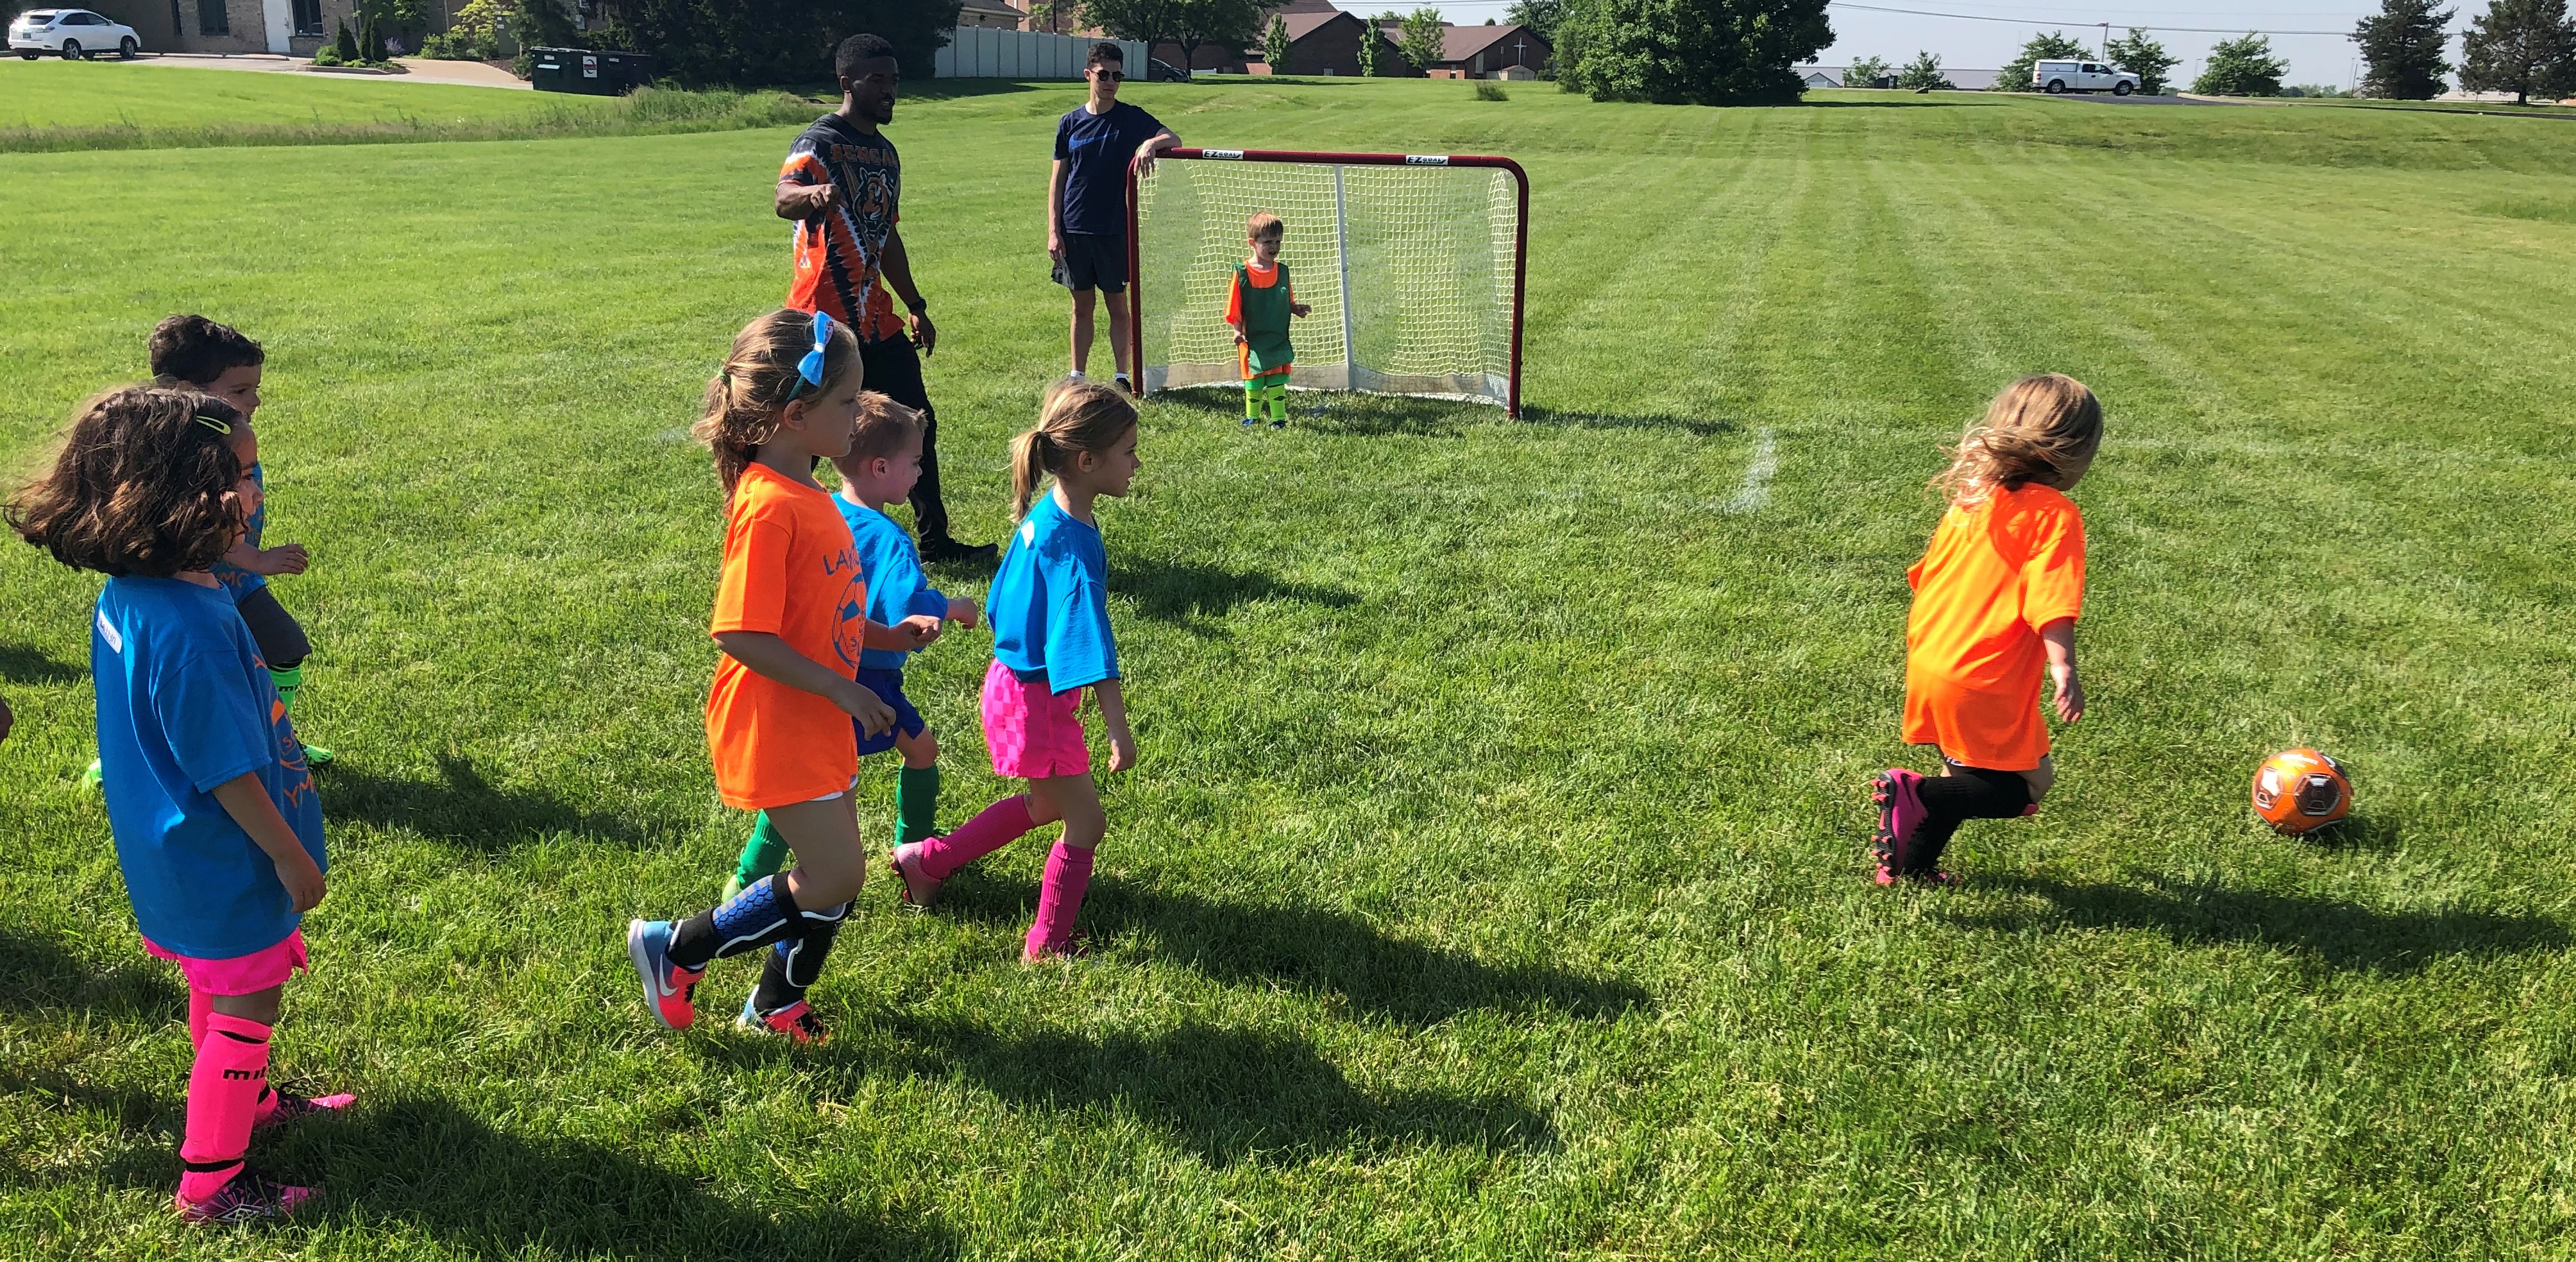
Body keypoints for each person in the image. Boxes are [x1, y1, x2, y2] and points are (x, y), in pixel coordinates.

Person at [8, 388, 348, 1224]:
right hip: (224, 850)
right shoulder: (189, 623)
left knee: (220, 982)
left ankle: (253, 1099)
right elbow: (227, 765)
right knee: (248, 997)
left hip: (172, 851)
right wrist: (285, 852)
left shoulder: (138, 591)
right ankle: (211, 1182)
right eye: (239, 475)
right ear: (179, 494)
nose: (258, 490)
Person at [627, 309, 920, 1046]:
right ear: (796, 415)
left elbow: (826, 615)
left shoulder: (812, 493)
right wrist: (843, 688)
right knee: (835, 875)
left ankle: (775, 1003)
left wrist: (885, 637)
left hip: (817, 711)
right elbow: (740, 631)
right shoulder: (767, 506)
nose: (861, 414)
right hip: (779, 716)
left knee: (833, 876)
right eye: (848, 402)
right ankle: (677, 948)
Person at [887, 380, 1139, 962]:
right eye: (1128, 451)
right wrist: (1117, 730)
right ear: (1087, 460)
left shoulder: (1043, 517)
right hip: (1038, 700)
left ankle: (928, 861)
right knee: (1087, 823)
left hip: (1008, 684)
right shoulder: (1073, 548)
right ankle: (1047, 943)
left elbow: (1001, 601)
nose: (1135, 463)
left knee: (1046, 804)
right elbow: (1090, 650)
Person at [721, 391, 979, 902]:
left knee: (812, 789)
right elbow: (907, 604)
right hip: (866, 682)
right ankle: (914, 856)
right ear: (880, 467)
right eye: (915, 463)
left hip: (823, 668)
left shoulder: (827, 507)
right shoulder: (888, 539)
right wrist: (953, 606)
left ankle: (748, 876)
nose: (920, 474)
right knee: (901, 760)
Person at [1870, 373, 2100, 886]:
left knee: (1967, 775)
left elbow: (1926, 574)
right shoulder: (2055, 514)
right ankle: (1916, 795)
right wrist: (2064, 667)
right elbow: (2052, 598)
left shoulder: (1972, 499)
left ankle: (1910, 868)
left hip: (1933, 658)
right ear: (2075, 451)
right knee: (2028, 786)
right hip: (1984, 676)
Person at [777, 33, 994, 565]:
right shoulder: (819, 141)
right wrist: (814, 194)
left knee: (915, 421)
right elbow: (784, 198)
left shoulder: (885, 152)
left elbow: (888, 235)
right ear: (847, 82)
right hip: (825, 321)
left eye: (894, 80)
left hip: (878, 318)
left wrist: (916, 304)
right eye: (878, 80)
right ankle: (801, 542)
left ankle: (936, 541)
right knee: (814, 433)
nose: (889, 90)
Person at [1047, 42, 1179, 394]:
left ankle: (1122, 375)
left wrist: (1150, 145)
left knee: (1118, 306)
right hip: (1074, 227)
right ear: (1088, 74)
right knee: (1082, 306)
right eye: (1104, 75)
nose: (1110, 82)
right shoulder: (1070, 123)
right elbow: (1058, 180)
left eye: (1117, 76)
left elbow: (1173, 137)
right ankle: (1077, 376)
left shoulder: (1131, 118)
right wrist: (1053, 230)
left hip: (1113, 228)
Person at [1225, 211, 1312, 428]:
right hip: (1252, 338)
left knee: (1276, 379)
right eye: (1267, 242)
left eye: (1278, 241)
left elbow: (1285, 299)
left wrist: (1295, 308)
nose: (1274, 246)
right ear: (1252, 243)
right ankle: (1252, 417)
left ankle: (1278, 419)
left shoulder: (1282, 271)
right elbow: (1235, 304)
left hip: (1277, 337)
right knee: (1254, 380)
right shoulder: (1242, 272)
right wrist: (1237, 330)